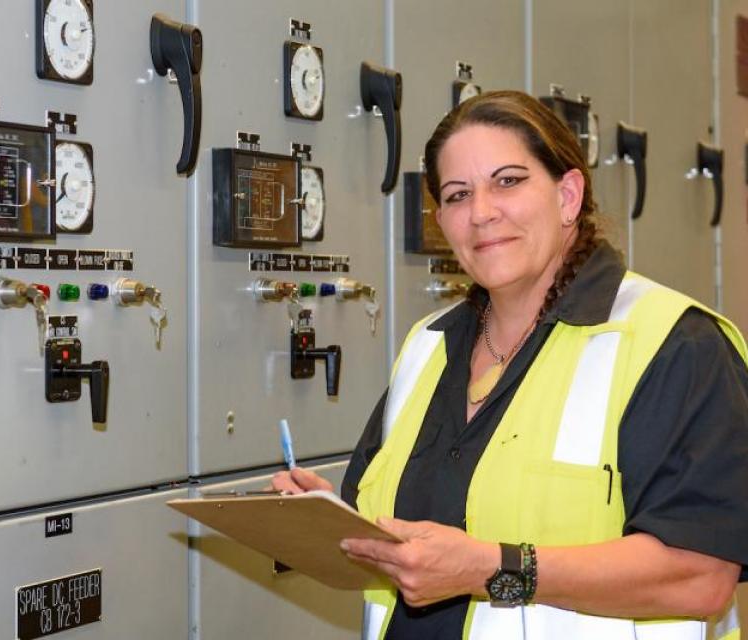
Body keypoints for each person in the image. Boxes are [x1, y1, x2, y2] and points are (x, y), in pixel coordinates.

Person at [273, 90, 748, 640]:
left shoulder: (676, 344)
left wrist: (494, 569)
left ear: (568, 195)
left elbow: (701, 575)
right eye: (457, 195)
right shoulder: (429, 344)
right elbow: (411, 534)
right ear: (441, 221)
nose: (481, 212)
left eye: (508, 181)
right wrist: (332, 522)